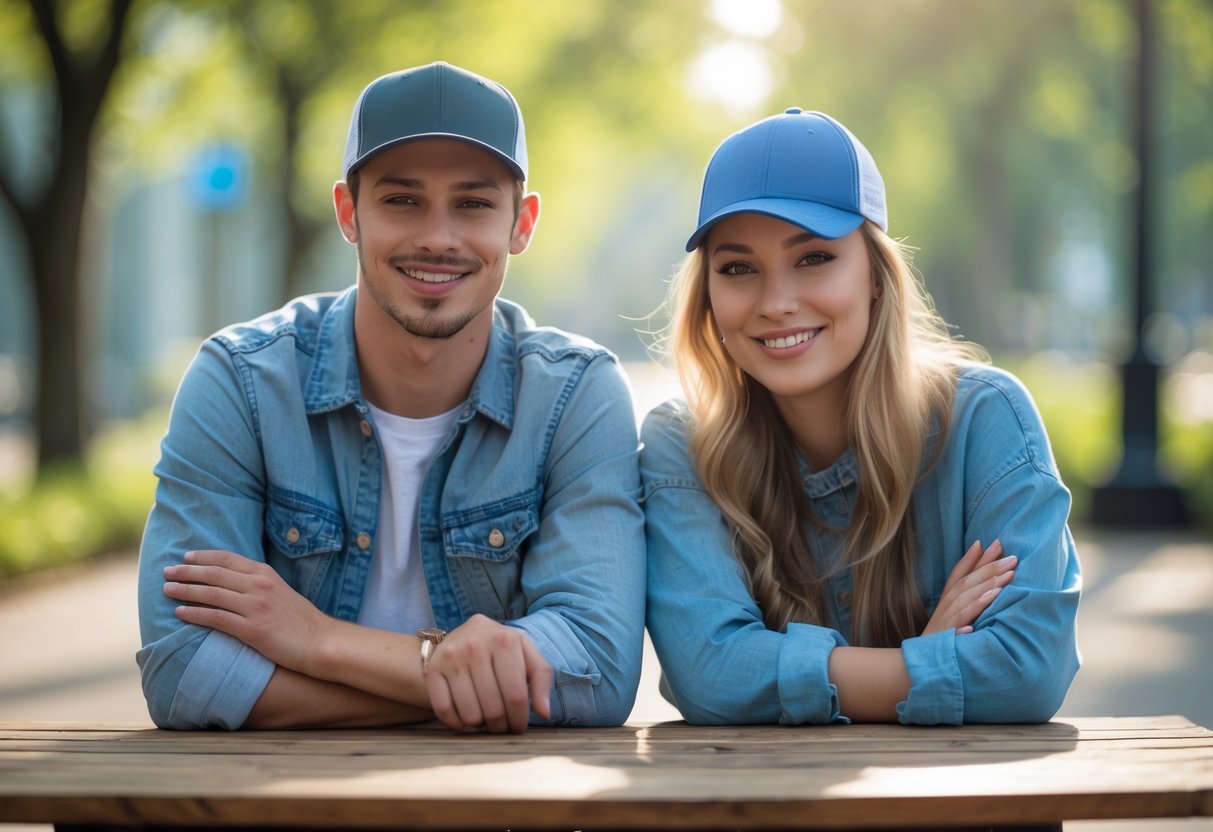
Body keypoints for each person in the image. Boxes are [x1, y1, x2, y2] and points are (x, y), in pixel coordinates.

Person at [136, 61, 646, 733]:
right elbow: (183, 672)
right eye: (402, 200)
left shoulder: (575, 396)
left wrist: (319, 640)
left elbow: (598, 674)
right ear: (349, 213)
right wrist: (454, 686)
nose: (437, 236)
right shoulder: (241, 382)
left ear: (521, 223)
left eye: (472, 203)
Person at [642, 107, 1081, 727]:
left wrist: (817, 677)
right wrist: (925, 658)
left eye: (814, 257)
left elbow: (1030, 672)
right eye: (738, 268)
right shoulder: (682, 444)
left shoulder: (986, 418)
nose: (776, 303)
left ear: (876, 276)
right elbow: (710, 675)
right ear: (707, 297)